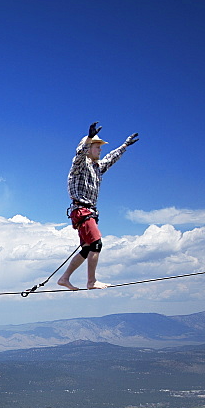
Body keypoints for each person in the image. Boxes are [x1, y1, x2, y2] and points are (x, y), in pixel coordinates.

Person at [56, 121, 139, 290]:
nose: (100, 150)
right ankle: (91, 281)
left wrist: (124, 145)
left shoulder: (97, 167)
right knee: (96, 244)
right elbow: (79, 154)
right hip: (82, 210)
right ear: (88, 149)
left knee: (87, 249)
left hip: (87, 212)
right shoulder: (79, 165)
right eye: (97, 147)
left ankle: (64, 278)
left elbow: (111, 158)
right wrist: (89, 138)